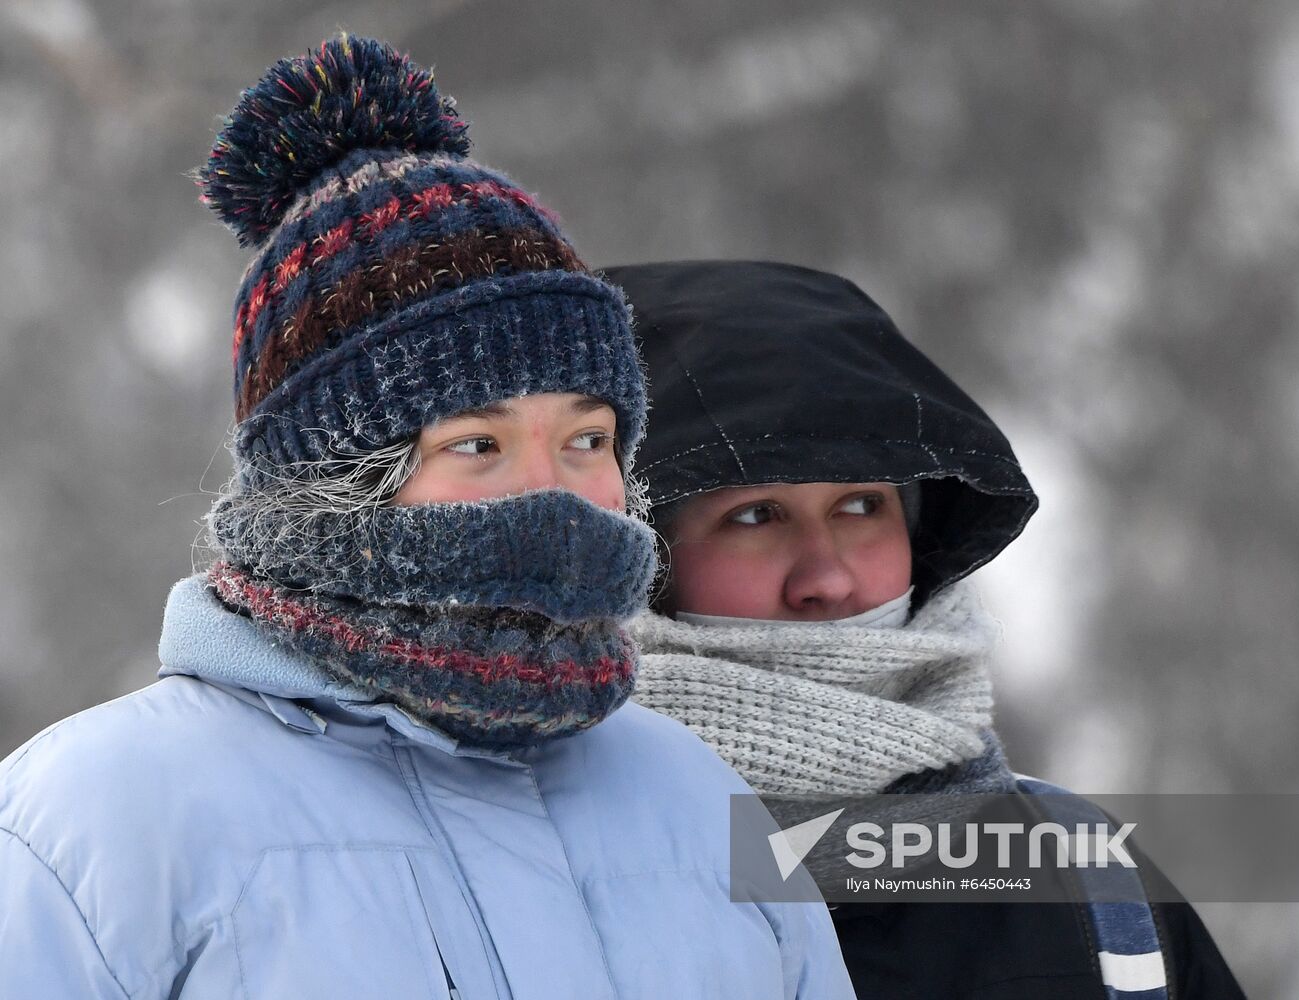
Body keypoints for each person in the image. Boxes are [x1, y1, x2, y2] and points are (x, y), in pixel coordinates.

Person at [0, 41, 855, 999]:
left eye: (588, 439)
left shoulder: (698, 799)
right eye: (479, 444)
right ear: (329, 481)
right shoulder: (94, 825)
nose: (554, 493)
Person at [606, 259, 1248, 999]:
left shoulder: (1093, 893)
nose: (828, 577)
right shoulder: (525, 890)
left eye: (861, 507)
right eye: (755, 516)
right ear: (635, 562)